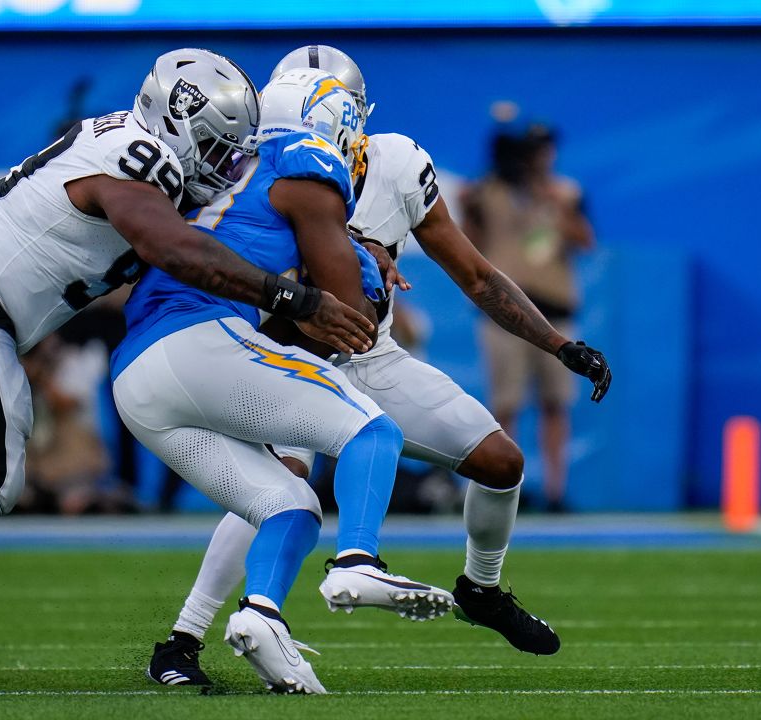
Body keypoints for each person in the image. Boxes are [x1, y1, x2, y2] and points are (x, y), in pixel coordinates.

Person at [0, 48, 377, 696]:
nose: (226, 169)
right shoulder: (143, 158)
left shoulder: (128, 151)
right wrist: (291, 296)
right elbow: (173, 247)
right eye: (218, 150)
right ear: (178, 122)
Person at [146, 45, 611, 688]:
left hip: (372, 355)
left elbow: (475, 274)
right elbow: (235, 271)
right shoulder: (255, 165)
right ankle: (187, 636)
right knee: (281, 486)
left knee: (502, 463)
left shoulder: (394, 161)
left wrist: (557, 343)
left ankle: (482, 589)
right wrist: (354, 257)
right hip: (286, 358)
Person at [116, 68, 455, 694]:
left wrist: (347, 247)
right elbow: (345, 314)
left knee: (288, 502)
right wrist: (362, 269)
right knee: (372, 431)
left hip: (137, 378)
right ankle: (357, 561)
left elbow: (250, 231)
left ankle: (260, 615)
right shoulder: (308, 157)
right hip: (202, 340)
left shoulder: (220, 168)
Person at [465, 112, 597, 513]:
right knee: (506, 405)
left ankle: (556, 491)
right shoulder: (487, 193)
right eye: (533, 151)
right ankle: (509, 489)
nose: (541, 157)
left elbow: (586, 240)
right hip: (506, 315)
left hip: (555, 314)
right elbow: (470, 242)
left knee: (556, 404)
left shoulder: (565, 193)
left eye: (545, 149)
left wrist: (556, 208)